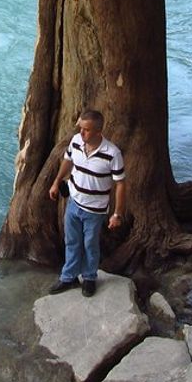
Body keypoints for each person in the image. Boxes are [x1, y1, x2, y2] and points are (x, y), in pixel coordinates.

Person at [47, 109, 126, 298]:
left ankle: (89, 277)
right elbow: (67, 161)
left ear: (99, 131)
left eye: (87, 130)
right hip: (73, 202)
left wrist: (117, 214)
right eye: (80, 128)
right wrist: (56, 182)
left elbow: (121, 184)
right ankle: (69, 277)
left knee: (90, 244)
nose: (82, 133)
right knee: (72, 241)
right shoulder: (75, 141)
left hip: (95, 210)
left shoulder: (112, 153)